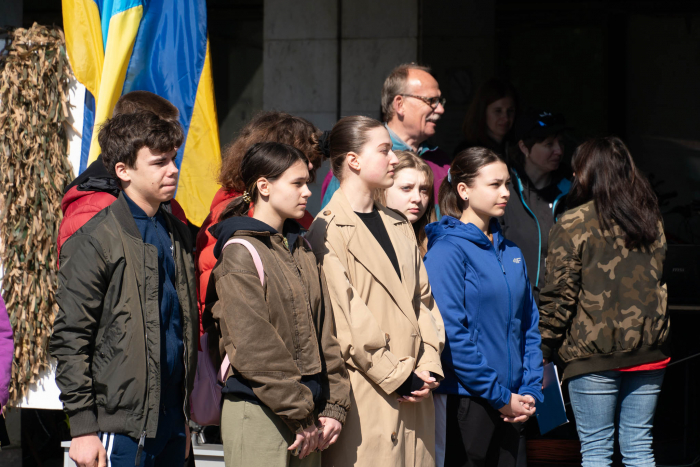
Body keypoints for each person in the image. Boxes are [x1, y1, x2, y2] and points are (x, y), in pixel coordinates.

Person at [50, 110, 198, 467]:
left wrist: (184, 418)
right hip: (120, 427)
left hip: (173, 424)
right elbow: (70, 337)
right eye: (159, 162)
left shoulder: (177, 233)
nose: (172, 170)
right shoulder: (96, 238)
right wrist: (83, 428)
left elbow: (181, 328)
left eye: (173, 159)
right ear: (123, 170)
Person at [308, 115, 444, 467]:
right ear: (353, 160)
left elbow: (423, 302)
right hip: (370, 394)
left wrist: (428, 363)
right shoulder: (326, 229)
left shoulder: (399, 225)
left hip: (415, 392)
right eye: (384, 150)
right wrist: (400, 376)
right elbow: (347, 320)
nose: (394, 159)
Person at [203, 141, 350, 466]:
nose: (307, 192)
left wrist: (333, 406)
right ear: (264, 186)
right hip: (259, 412)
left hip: (307, 415)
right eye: (297, 183)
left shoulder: (302, 248)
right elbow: (254, 347)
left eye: (307, 183)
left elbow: (326, 334)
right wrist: (300, 413)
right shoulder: (240, 252)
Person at [539, 137, 670, 467]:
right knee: (639, 447)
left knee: (596, 451)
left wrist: (540, 348)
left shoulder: (573, 223)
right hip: (648, 352)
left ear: (585, 173)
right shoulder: (650, 220)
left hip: (591, 356)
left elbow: (559, 296)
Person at [423, 147, 544, 467]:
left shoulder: (512, 251)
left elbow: (529, 324)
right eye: (494, 185)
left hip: (515, 403)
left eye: (507, 184)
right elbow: (451, 333)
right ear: (463, 190)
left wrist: (530, 389)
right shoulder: (446, 250)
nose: (505, 193)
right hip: (467, 401)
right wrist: (499, 397)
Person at [196, 111, 324, 335]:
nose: (310, 167)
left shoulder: (294, 214)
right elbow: (227, 311)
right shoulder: (232, 218)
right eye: (301, 157)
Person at [58, 91, 188, 260]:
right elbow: (80, 281)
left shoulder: (166, 205)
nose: (170, 141)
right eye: (158, 133)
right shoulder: (94, 209)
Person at [321, 63, 450, 214]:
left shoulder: (442, 162)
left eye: (440, 101)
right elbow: (333, 228)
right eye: (431, 100)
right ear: (400, 104)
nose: (440, 109)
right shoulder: (357, 162)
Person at [500, 108, 571, 301]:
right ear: (524, 147)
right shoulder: (505, 191)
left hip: (560, 309)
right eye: (549, 144)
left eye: (560, 143)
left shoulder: (571, 191)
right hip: (517, 307)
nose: (558, 150)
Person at [375, 150, 437, 256]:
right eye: (406, 188)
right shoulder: (365, 239)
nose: (417, 198)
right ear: (382, 189)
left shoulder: (437, 246)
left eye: (424, 189)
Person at [454, 78, 518, 158]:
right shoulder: (468, 152)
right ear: (483, 112)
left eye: (510, 111)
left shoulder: (518, 149)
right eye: (498, 111)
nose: (506, 118)